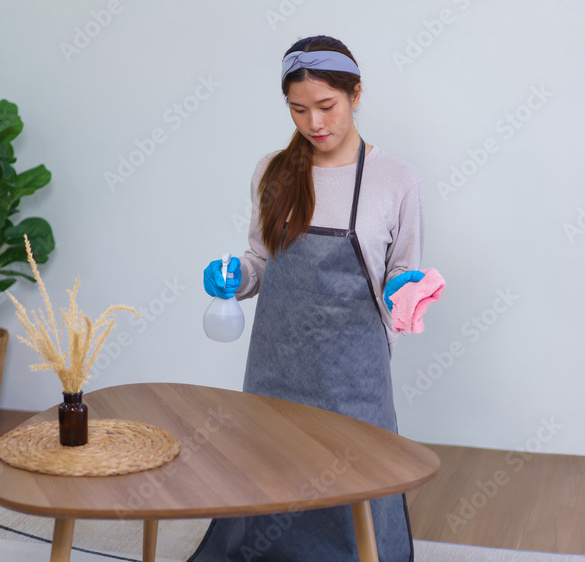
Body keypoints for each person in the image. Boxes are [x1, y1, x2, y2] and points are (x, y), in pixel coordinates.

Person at [191, 35, 425, 562]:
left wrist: (405, 288)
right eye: (298, 110)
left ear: (355, 94)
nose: (314, 123)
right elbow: (259, 260)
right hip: (275, 366)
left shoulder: (396, 179)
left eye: (326, 106)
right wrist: (234, 276)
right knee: (268, 468)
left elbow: (402, 270)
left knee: (355, 475)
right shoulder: (273, 170)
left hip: (353, 376)